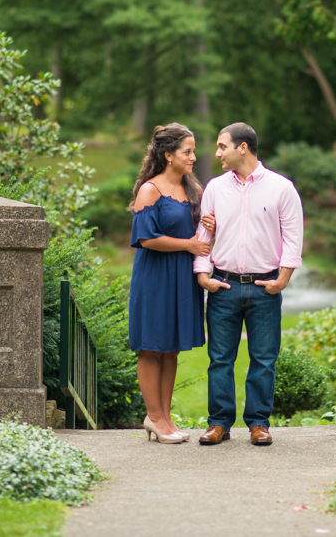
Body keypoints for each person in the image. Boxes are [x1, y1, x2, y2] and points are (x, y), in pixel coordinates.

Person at [193, 122, 304, 446]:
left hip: (264, 288)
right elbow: (204, 235)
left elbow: (293, 237)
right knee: (220, 360)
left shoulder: (281, 188)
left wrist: (283, 278)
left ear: (243, 147)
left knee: (264, 359)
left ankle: (258, 423)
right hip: (223, 287)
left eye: (222, 146)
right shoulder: (214, 188)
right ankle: (219, 424)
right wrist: (203, 276)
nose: (217, 153)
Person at [129, 123, 215, 444]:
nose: (193, 157)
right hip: (155, 278)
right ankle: (154, 417)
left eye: (193, 151)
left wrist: (210, 226)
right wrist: (189, 245)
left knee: (171, 349)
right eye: (187, 151)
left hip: (182, 277)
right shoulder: (150, 190)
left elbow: (200, 237)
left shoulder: (193, 189)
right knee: (152, 348)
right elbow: (145, 238)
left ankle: (165, 418)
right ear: (168, 155)